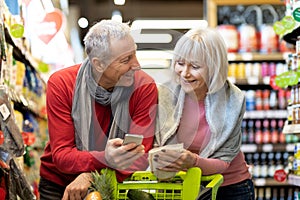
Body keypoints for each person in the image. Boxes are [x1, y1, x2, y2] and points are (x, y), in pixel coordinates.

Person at [38, 19, 158, 200]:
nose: (137, 65)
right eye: (126, 60)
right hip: (61, 184)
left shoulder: (144, 86)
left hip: (115, 183)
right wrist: (106, 159)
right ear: (99, 64)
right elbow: (62, 154)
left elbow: (139, 156)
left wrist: (91, 174)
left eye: (134, 54)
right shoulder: (62, 84)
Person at [153, 27, 254, 200]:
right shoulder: (164, 95)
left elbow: (223, 161)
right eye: (180, 63)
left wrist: (193, 161)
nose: (185, 73)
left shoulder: (233, 100)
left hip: (229, 187)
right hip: (182, 186)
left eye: (195, 66)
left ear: (214, 67)